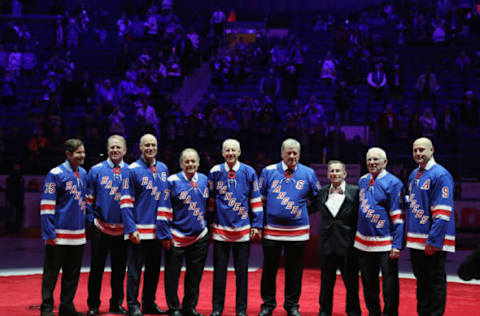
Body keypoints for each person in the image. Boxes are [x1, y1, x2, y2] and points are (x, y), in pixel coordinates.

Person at [258, 138, 321, 316]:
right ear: (282, 154)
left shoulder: (308, 173)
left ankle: (292, 305)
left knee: (294, 271)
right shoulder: (267, 171)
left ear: (299, 154)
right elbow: (259, 201)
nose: (292, 156)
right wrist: (259, 224)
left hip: (297, 232)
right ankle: (268, 305)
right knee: (269, 270)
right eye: (289, 153)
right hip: (272, 231)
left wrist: (305, 211)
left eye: (295, 153)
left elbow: (319, 198)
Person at [208, 139, 263, 316]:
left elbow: (255, 200)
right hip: (220, 231)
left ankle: (241, 310)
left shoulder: (249, 172)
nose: (230, 153)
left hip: (242, 231)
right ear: (223, 153)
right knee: (219, 274)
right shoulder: (215, 171)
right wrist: (209, 223)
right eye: (227, 150)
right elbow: (208, 200)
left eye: (234, 150)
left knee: (242, 275)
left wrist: (257, 224)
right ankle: (217, 308)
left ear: (239, 152)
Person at [120, 134, 170, 316]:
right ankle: (133, 305)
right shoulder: (131, 170)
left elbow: (166, 201)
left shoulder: (164, 168)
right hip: (138, 232)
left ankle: (149, 303)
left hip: (157, 232)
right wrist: (131, 229)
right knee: (134, 271)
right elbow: (125, 202)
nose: (150, 148)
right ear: (140, 147)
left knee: (154, 270)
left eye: (153, 145)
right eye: (146, 145)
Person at [406, 137, 455, 315]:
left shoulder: (441, 174)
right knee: (421, 280)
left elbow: (442, 213)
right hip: (415, 239)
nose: (418, 153)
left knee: (434, 281)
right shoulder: (414, 174)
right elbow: (414, 201)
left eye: (422, 150)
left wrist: (433, 240)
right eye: (415, 150)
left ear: (432, 150)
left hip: (432, 241)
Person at [354, 147, 404, 316]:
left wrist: (397, 245)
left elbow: (398, 217)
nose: (372, 163)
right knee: (368, 283)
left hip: (385, 244)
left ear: (385, 162)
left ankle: (390, 313)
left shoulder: (394, 183)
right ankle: (373, 313)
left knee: (389, 284)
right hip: (363, 243)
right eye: (369, 159)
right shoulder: (362, 180)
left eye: (376, 159)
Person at [40, 139, 87, 316]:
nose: (82, 155)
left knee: (72, 274)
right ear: (68, 154)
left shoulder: (83, 173)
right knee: (51, 273)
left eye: (83, 152)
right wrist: (49, 232)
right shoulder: (54, 174)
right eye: (78, 153)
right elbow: (46, 204)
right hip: (58, 234)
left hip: (78, 234)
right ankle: (46, 308)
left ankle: (67, 306)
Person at [86, 135, 129, 316]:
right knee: (96, 269)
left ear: (125, 150)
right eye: (112, 147)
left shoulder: (131, 171)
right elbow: (88, 200)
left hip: (122, 230)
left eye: (118, 147)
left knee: (119, 270)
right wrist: (92, 222)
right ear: (107, 149)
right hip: (101, 228)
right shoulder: (95, 170)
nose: (115, 151)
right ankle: (93, 305)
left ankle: (116, 304)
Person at [312, 161, 361, 316]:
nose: (334, 173)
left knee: (351, 282)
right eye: (331, 171)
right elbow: (309, 208)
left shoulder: (355, 192)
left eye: (338, 171)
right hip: (327, 244)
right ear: (327, 174)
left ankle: (353, 311)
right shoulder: (322, 192)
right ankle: (324, 311)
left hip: (348, 245)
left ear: (345, 174)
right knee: (326, 283)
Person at [164, 148, 210, 316]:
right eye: (187, 161)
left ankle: (189, 307)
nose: (190, 164)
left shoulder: (205, 180)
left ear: (198, 163)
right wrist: (164, 234)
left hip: (199, 237)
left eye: (193, 161)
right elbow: (164, 209)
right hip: (176, 236)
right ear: (181, 163)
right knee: (172, 276)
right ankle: (174, 308)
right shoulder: (172, 181)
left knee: (194, 276)